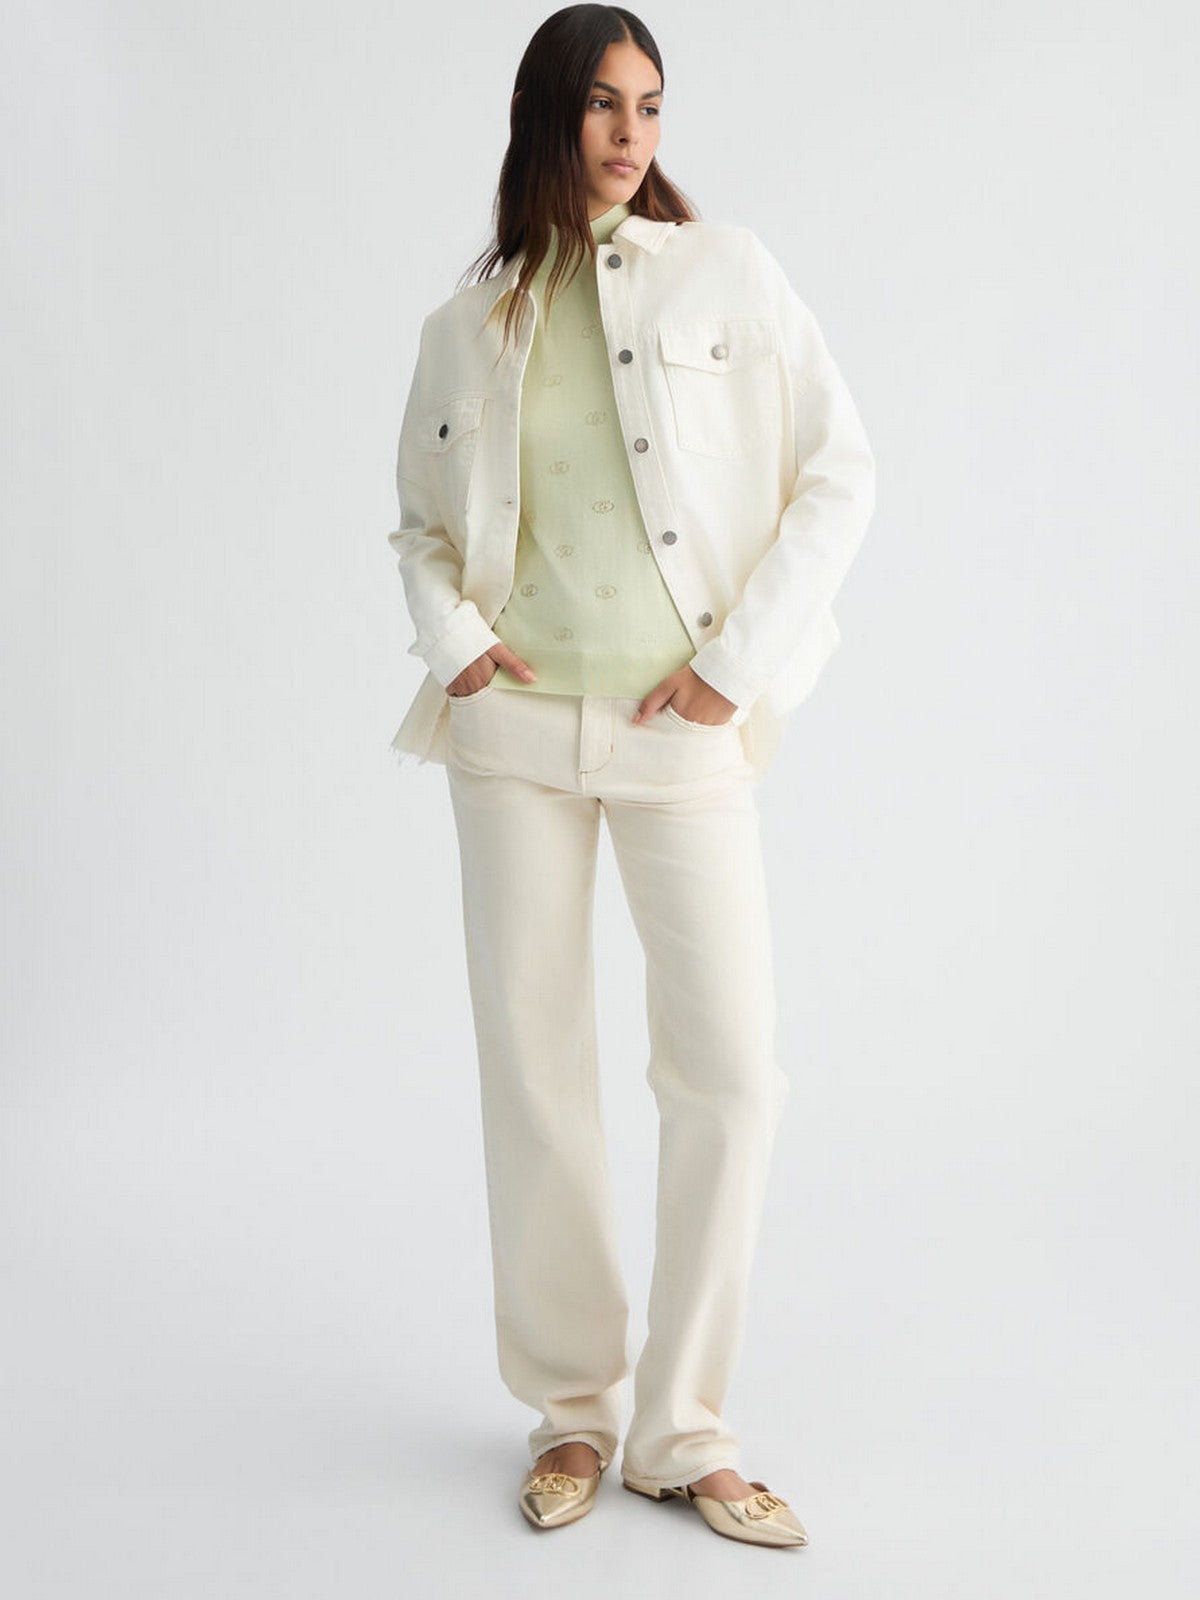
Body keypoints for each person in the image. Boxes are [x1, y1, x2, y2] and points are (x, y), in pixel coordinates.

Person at [386, 4, 875, 1548]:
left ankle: (686, 1428)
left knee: (729, 1071)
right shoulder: (467, 325)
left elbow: (840, 471)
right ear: (547, 113)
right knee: (536, 1073)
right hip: (512, 742)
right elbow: (419, 525)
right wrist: (456, 638)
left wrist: (736, 665)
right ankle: (575, 1414)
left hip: (684, 732)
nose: (630, 133)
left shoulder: (728, 272)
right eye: (604, 104)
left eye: (650, 105)